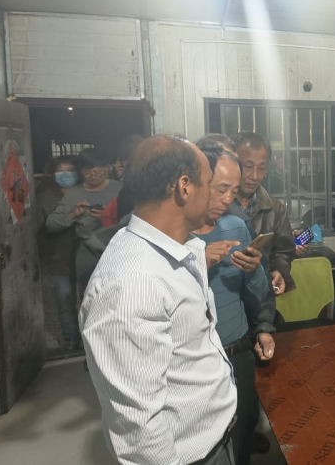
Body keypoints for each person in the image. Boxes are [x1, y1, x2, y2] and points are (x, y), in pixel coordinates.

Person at [80, 135, 237, 465]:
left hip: (215, 437)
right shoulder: (132, 284)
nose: (217, 195)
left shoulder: (179, 249)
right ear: (184, 187)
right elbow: (139, 429)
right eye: (210, 183)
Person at [193, 142, 273, 464]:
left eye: (234, 191)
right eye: (221, 189)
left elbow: (257, 291)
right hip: (199, 360)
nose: (228, 199)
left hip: (238, 351)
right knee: (207, 443)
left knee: (243, 431)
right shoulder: (174, 237)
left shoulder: (236, 226)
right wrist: (198, 263)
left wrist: (254, 270)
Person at [228, 132, 297, 295]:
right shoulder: (217, 206)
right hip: (226, 295)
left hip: (261, 298)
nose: (254, 176)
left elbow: (283, 252)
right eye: (248, 167)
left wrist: (278, 270)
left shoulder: (275, 209)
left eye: (261, 169)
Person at [36, 155, 80, 349]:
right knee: (65, 303)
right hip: (58, 258)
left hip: (87, 256)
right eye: (60, 171)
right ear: (52, 174)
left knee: (89, 301)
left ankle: (89, 342)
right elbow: (41, 229)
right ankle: (71, 340)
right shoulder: (45, 197)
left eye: (70, 170)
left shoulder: (86, 192)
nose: (66, 174)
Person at [46, 147, 122, 240]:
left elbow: (135, 217)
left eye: (97, 172)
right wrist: (72, 214)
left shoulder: (121, 189)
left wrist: (109, 216)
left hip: (119, 241)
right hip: (86, 243)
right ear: (81, 171)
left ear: (107, 168)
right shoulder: (74, 193)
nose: (92, 176)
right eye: (87, 172)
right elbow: (51, 224)